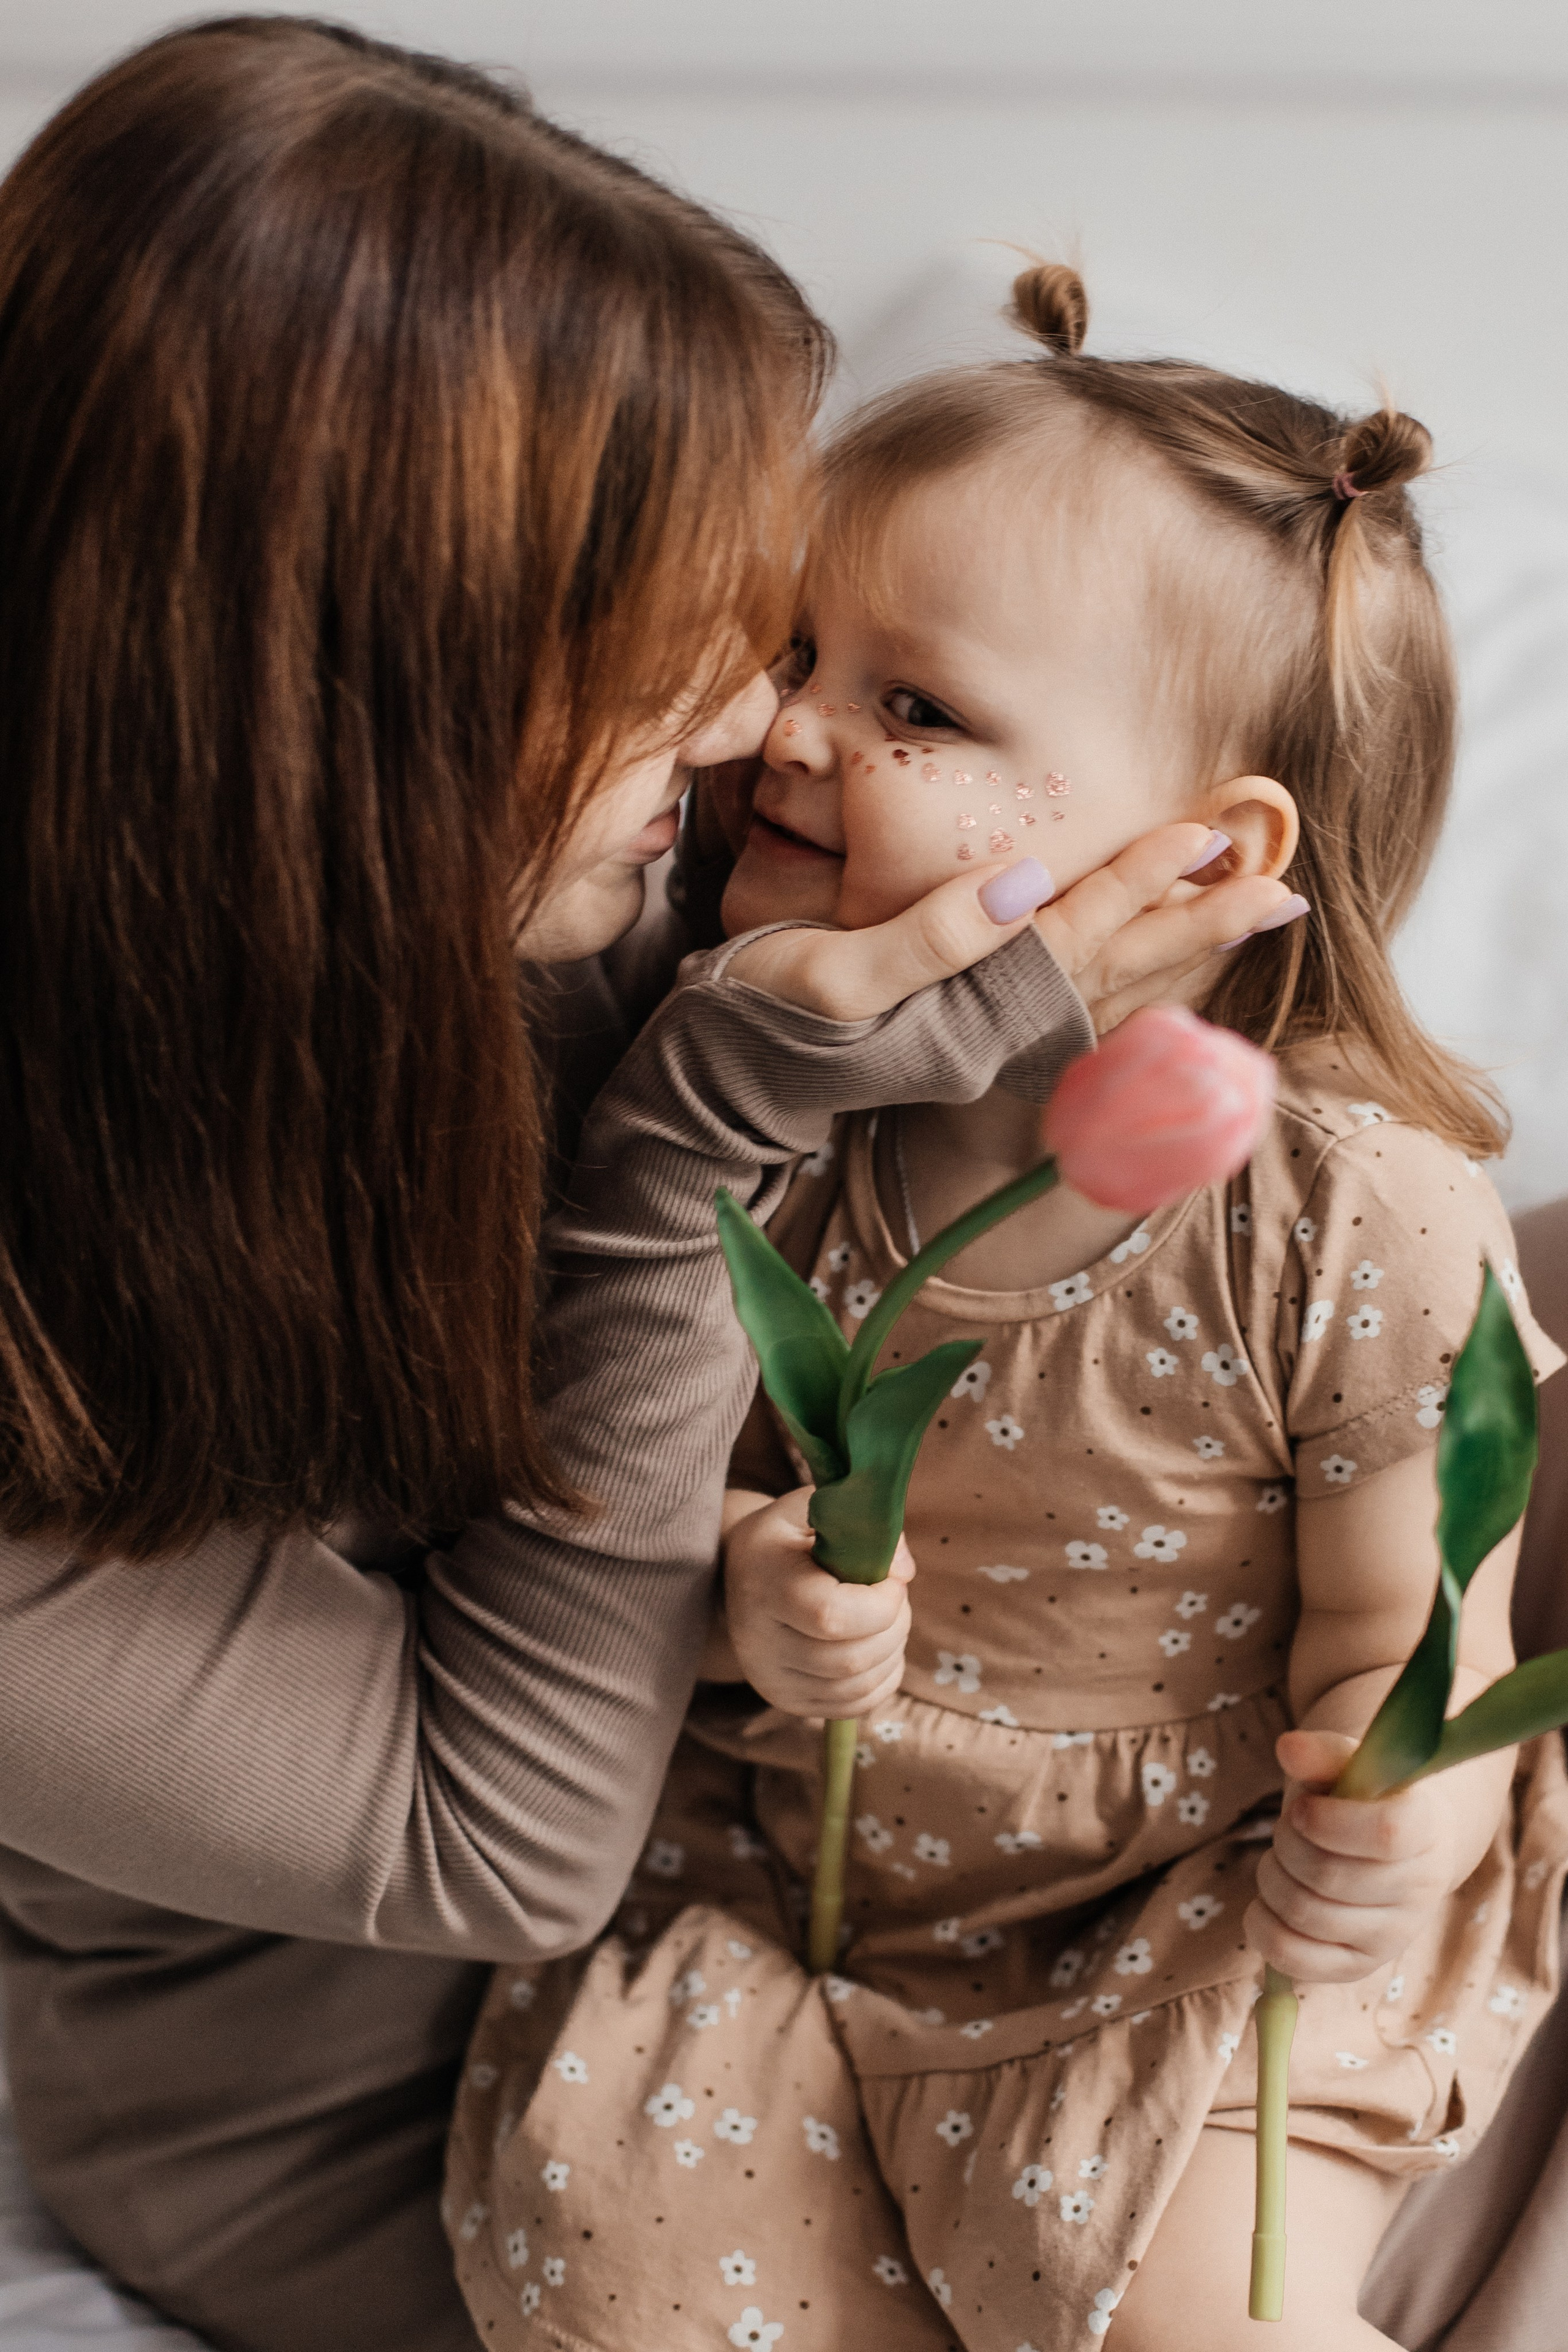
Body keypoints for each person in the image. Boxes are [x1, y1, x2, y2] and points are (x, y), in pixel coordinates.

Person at [0, 34, 1280, 2352]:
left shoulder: (533, 887)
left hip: (862, 1862)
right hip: (412, 2107)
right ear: (350, 708)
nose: (747, 724)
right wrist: (690, 1137)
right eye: (677, 642)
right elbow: (495, 1843)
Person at [447, 263, 1568, 2352]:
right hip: (803, 1899)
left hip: (1196, 1917)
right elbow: (621, 1493)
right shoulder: (742, 1098)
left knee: (1189, 2310)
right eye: (799, 652)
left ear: (1208, 850)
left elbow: (1411, 1644)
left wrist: (1385, 1822)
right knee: (618, 2283)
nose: (785, 726)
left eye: (917, 708)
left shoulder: (1351, 1210)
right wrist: (748, 1592)